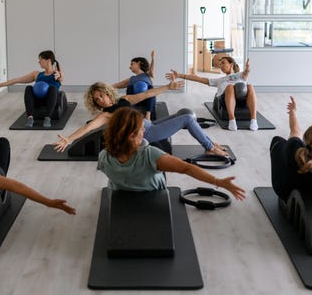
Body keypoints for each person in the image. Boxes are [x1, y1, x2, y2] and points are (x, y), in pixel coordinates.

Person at [97, 107, 245, 200]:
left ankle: (211, 144)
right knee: (184, 120)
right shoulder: (150, 155)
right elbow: (186, 168)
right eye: (141, 129)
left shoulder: (103, 156)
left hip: (120, 190)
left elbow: (122, 173)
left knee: (180, 116)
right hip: (152, 191)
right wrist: (218, 182)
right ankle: (210, 147)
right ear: (131, 136)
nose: (143, 131)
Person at [53, 81, 229, 157]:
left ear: (107, 93)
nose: (101, 100)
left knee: (183, 113)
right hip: (147, 133)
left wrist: (168, 86)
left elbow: (147, 94)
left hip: (150, 124)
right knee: (188, 120)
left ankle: (211, 142)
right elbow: (88, 128)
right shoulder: (106, 115)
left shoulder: (125, 100)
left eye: (101, 95)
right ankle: (209, 147)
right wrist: (68, 139)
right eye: (97, 100)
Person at [166, 57, 259, 131]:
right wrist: (180, 75)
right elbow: (199, 78)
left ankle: (253, 120)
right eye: (220, 64)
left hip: (242, 98)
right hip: (225, 99)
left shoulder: (240, 75)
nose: (221, 65)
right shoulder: (219, 80)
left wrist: (247, 69)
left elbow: (246, 74)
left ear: (231, 64)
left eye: (223, 63)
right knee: (230, 87)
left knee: (250, 86)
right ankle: (232, 120)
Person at [0, 50, 63, 128]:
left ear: (48, 60)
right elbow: (17, 80)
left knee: (53, 88)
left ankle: (47, 118)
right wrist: (0, 85)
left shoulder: (57, 73)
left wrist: (59, 76)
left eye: (40, 59)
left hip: (52, 101)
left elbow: (61, 77)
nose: (39, 62)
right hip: (38, 101)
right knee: (28, 88)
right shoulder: (36, 74)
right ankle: (30, 118)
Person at [113, 50, 156, 119]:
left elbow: (151, 69)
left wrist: (153, 59)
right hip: (134, 100)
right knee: (130, 88)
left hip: (146, 99)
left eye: (132, 64)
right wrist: (105, 87)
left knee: (150, 89)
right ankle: (130, 113)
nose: (130, 67)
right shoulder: (131, 79)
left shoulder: (148, 75)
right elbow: (117, 85)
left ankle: (148, 115)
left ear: (139, 63)